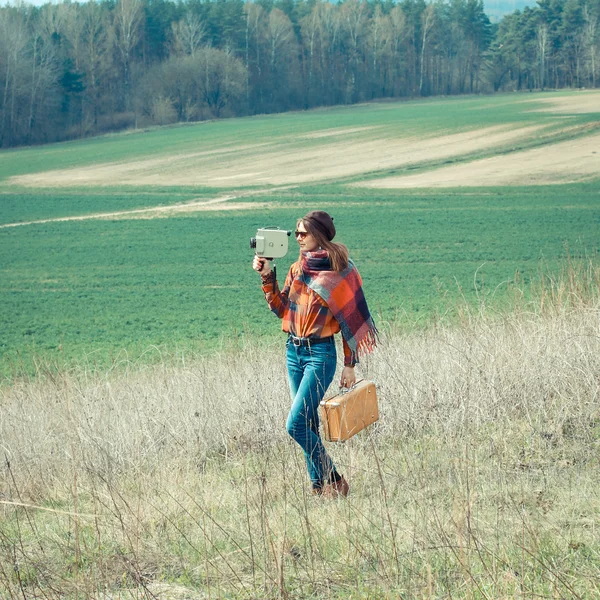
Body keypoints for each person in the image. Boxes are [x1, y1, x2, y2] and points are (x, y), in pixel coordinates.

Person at [252, 210, 377, 498]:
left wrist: (350, 364)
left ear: (318, 235)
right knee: (306, 422)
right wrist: (266, 276)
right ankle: (319, 487)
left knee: (294, 424)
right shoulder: (297, 269)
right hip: (293, 352)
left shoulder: (341, 270)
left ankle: (334, 478)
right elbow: (281, 310)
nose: (297, 238)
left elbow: (350, 320)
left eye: (303, 233)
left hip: (320, 355)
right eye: (296, 233)